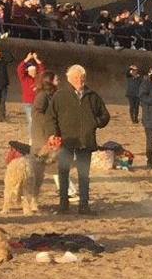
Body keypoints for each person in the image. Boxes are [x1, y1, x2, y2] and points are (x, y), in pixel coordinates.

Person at [40, 64, 108, 215]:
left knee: (84, 174)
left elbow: (105, 116)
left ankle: (84, 205)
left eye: (82, 77)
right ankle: (63, 205)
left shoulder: (92, 96)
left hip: (86, 141)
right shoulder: (60, 96)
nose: (80, 80)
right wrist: (52, 134)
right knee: (63, 172)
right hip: (66, 140)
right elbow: (50, 118)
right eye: (76, 77)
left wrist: (94, 123)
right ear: (69, 79)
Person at [18, 52, 43, 120]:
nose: (32, 72)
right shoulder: (24, 79)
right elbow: (20, 69)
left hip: (38, 102)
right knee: (31, 120)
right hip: (28, 102)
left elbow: (42, 69)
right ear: (28, 71)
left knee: (38, 120)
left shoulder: (39, 78)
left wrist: (36, 58)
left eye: (34, 70)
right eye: (31, 71)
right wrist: (27, 59)